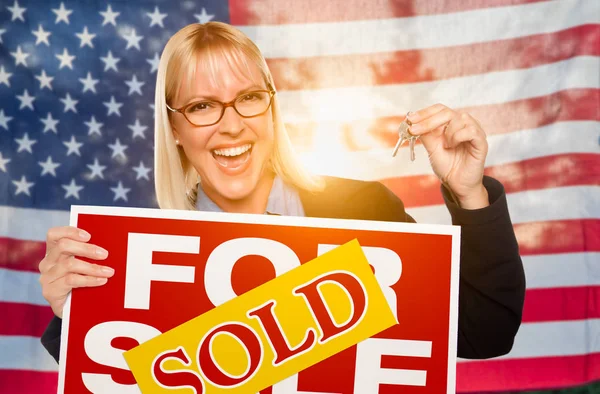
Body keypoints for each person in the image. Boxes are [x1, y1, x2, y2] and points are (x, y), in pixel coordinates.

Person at [39, 21, 525, 363]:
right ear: (175, 129)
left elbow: (488, 330)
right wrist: (75, 315)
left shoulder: (363, 211)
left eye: (249, 98)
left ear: (271, 107)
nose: (231, 126)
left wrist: (468, 192)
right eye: (203, 105)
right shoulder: (138, 258)